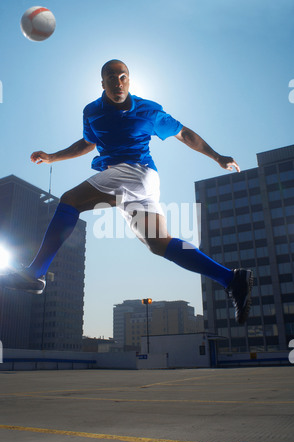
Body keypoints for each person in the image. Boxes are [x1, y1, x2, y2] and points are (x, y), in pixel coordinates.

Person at [0, 59, 253, 324]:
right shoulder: (91, 111)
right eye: (111, 77)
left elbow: (185, 133)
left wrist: (217, 157)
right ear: (102, 83)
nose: (118, 83)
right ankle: (232, 279)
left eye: (123, 77)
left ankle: (35, 273)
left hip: (137, 172)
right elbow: (88, 142)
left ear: (129, 80)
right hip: (132, 184)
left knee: (70, 200)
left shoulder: (148, 111)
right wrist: (53, 157)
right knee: (158, 243)